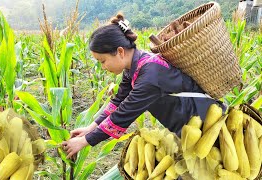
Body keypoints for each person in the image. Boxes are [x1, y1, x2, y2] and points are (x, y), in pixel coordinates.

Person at [62, 13, 225, 159]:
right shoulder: (135, 66)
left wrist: (84, 142)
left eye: (102, 61)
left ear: (120, 52)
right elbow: (118, 101)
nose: (103, 67)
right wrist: (90, 128)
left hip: (207, 125)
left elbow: (124, 114)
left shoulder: (150, 76)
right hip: (188, 128)